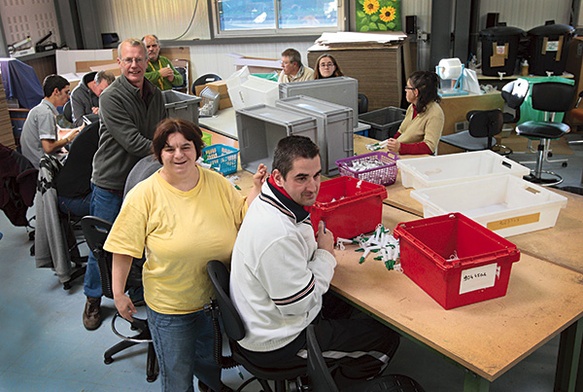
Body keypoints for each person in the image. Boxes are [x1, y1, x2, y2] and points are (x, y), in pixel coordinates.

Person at [104, 118, 267, 392]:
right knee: (178, 376)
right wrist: (119, 293)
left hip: (214, 302)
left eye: (185, 147)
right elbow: (123, 248)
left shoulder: (217, 183)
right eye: (169, 149)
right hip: (171, 308)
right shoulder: (144, 195)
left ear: (196, 150)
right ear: (159, 154)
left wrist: (256, 189)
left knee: (209, 361)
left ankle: (209, 385)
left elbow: (242, 215)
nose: (178, 155)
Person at [230, 135, 400, 385]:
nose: (313, 187)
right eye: (301, 178)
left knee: (347, 307)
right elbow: (298, 305)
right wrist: (324, 254)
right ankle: (342, 385)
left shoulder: (270, 198)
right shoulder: (277, 234)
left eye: (317, 175)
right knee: (384, 339)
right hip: (279, 344)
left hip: (264, 318)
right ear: (278, 177)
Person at [81, 38, 167, 331]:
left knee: (141, 242)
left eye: (139, 59)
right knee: (104, 246)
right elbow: (132, 141)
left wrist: (175, 147)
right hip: (113, 182)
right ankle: (93, 298)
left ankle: (137, 290)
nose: (134, 65)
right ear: (119, 63)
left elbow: (162, 131)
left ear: (147, 61)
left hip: (144, 181)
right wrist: (170, 154)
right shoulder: (111, 97)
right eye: (128, 60)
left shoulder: (156, 94)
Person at [20, 74, 84, 169]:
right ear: (56, 91)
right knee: (81, 162)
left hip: (37, 160)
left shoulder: (40, 109)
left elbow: (59, 132)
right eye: (66, 92)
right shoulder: (45, 114)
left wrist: (79, 129)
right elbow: (48, 147)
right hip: (41, 166)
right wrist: (68, 139)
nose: (68, 97)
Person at [383, 70, 444, 155]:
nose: (405, 90)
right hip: (400, 153)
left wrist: (401, 147)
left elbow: (429, 147)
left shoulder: (435, 113)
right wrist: (392, 143)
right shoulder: (413, 106)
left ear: (416, 92)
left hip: (414, 158)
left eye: (407, 87)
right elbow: (401, 130)